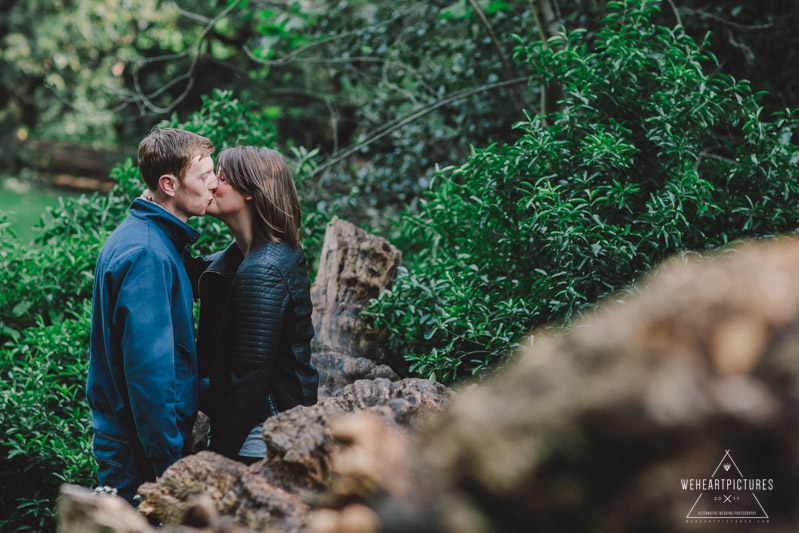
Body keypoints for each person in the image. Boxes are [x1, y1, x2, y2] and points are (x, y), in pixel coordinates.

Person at [86, 128, 217, 504]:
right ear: (169, 184)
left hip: (135, 439)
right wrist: (167, 463)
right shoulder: (147, 253)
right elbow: (150, 368)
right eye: (204, 175)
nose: (214, 184)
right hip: (137, 447)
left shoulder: (150, 238)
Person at [194, 145, 318, 463]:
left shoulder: (263, 268)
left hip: (261, 436)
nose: (211, 185)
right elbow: (198, 270)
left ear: (250, 190)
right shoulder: (250, 254)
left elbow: (247, 381)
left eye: (220, 178)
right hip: (264, 425)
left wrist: (217, 458)